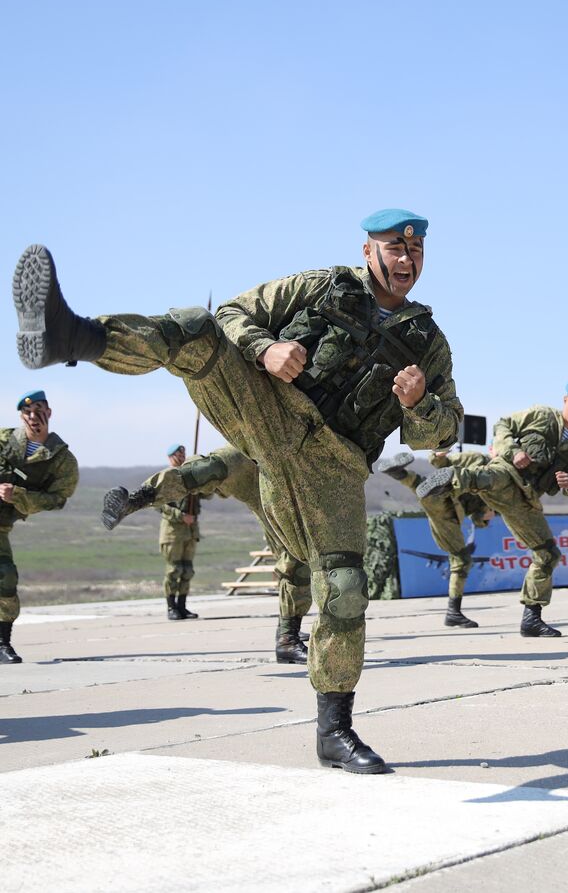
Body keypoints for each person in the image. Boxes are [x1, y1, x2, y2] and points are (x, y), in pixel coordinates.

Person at [12, 209, 463, 773]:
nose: (407, 260)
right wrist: (263, 349)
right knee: (196, 330)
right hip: (269, 409)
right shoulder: (320, 285)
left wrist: (419, 403)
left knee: (345, 588)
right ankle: (72, 335)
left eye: (416, 252)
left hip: (334, 466)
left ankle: (334, 730)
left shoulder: (427, 340)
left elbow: (446, 428)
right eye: (395, 249)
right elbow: (233, 314)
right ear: (368, 250)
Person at [104, 443, 312, 662]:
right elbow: (199, 475)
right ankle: (136, 499)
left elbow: (206, 490)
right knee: (205, 470)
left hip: (288, 475)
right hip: (259, 458)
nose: (181, 455)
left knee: (298, 559)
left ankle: (288, 632)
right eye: (178, 453)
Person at [418, 384, 568, 637]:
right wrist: (513, 452)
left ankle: (531, 619)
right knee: (491, 477)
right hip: (508, 472)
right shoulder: (541, 415)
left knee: (548, 554)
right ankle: (449, 480)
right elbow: (503, 425)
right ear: (565, 399)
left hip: (526, 499)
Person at [0, 390, 78, 664]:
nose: (34, 418)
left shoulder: (61, 460)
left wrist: (19, 496)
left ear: (49, 413)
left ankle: (2, 643)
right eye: (28, 413)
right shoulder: (3, 442)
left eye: (39, 411)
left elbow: (56, 499)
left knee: (5, 577)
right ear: (21, 416)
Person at [378, 449, 496, 628]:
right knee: (461, 559)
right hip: (449, 512)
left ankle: (400, 474)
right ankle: (453, 613)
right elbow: (442, 463)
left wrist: (485, 516)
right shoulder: (477, 459)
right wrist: (438, 456)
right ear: (492, 449)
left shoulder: (499, 479)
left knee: (426, 491)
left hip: (454, 510)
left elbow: (477, 518)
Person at [154, 443, 203, 620]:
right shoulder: (166, 477)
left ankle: (182, 606)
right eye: (177, 456)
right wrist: (180, 516)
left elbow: (207, 494)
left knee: (187, 570)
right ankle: (171, 607)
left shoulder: (189, 477)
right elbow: (158, 504)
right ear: (170, 457)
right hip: (173, 532)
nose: (181, 458)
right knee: (174, 570)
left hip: (190, 531)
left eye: (183, 455)